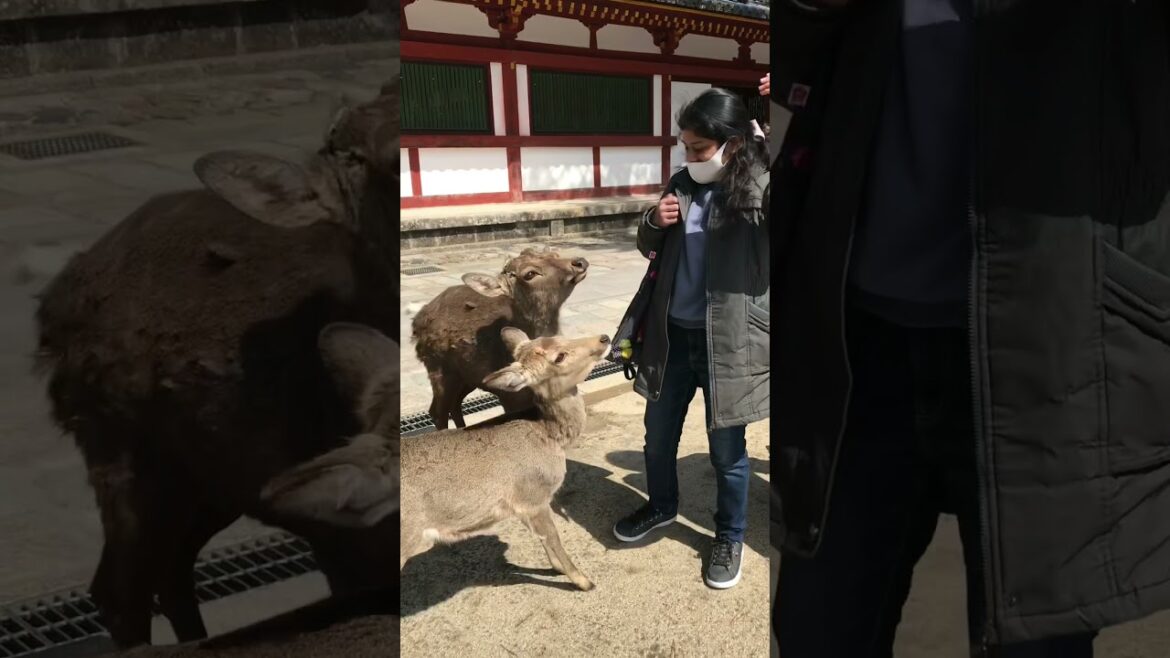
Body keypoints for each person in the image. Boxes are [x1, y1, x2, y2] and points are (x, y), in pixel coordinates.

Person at [770, 0, 1170, 656]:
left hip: (1059, 350)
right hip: (856, 350)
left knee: (1036, 640)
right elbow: (794, 65)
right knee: (818, 629)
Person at [612, 88, 770, 589]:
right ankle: (661, 506)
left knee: (728, 452)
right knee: (657, 437)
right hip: (672, 338)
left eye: (700, 148)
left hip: (730, 343)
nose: (691, 157)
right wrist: (651, 221)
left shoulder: (760, 185)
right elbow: (648, 247)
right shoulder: (682, 183)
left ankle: (729, 535)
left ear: (733, 144)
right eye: (686, 146)